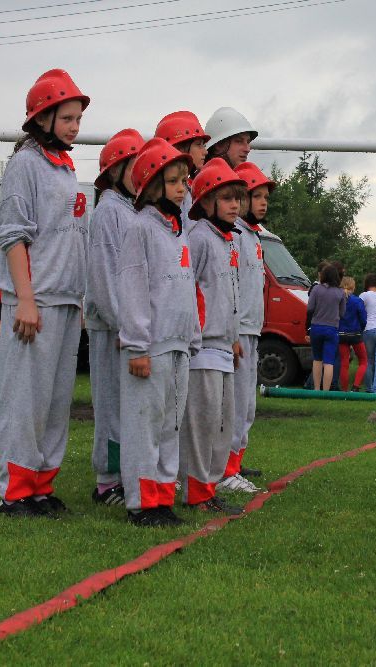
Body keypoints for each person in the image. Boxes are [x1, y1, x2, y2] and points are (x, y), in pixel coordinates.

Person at [0, 69, 90, 518]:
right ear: (42, 117)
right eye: (67, 118)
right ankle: (15, 492)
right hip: (34, 301)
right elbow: (13, 237)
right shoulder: (25, 165)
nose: (74, 126)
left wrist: (81, 298)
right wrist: (26, 299)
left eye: (77, 118)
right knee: (24, 400)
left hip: (66, 301)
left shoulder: (65, 166)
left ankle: (42, 487)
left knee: (54, 403)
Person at [118, 137, 200, 526]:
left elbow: (185, 285)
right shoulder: (140, 229)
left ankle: (162, 498)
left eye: (184, 180)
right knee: (144, 424)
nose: (182, 187)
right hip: (150, 347)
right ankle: (141, 502)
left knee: (171, 424)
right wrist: (136, 345)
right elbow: (132, 288)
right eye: (173, 181)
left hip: (178, 344)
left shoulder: (178, 229)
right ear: (152, 185)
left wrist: (192, 336)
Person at [180, 158, 246, 515]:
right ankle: (196, 490)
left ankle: (208, 487)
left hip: (223, 346)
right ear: (205, 202)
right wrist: (194, 337)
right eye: (226, 198)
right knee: (201, 424)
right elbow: (189, 293)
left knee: (222, 423)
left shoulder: (227, 240)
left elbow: (227, 294)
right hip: (202, 347)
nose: (235, 205)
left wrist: (234, 336)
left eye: (237, 198)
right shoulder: (200, 239)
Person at [85, 128, 145, 508]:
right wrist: (124, 324)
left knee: (128, 404)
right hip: (111, 328)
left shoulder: (127, 210)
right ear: (116, 169)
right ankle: (108, 482)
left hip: (127, 327)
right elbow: (106, 279)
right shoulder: (108, 211)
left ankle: (125, 475)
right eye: (135, 166)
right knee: (110, 403)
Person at [216, 161, 274, 494]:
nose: (263, 203)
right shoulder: (234, 235)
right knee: (234, 405)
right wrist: (233, 331)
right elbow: (231, 286)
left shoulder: (254, 236)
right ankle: (224, 470)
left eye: (266, 197)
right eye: (257, 195)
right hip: (237, 333)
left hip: (252, 330)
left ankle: (235, 464)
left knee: (247, 405)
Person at [155, 111, 209, 234]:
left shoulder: (188, 188)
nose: (205, 152)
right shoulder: (169, 194)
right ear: (178, 149)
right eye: (198, 145)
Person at [305, 264, 346, 392]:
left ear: (323, 276)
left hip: (316, 327)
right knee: (329, 361)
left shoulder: (316, 289)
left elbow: (310, 308)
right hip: (332, 329)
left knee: (317, 359)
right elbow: (342, 313)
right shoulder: (340, 292)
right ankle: (326, 391)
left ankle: (316, 389)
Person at [337, 276, 367, 392]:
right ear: (353, 288)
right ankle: (355, 386)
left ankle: (344, 390)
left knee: (344, 363)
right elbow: (363, 319)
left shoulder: (338, 300)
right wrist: (361, 329)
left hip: (341, 334)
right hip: (355, 334)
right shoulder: (357, 301)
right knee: (363, 361)